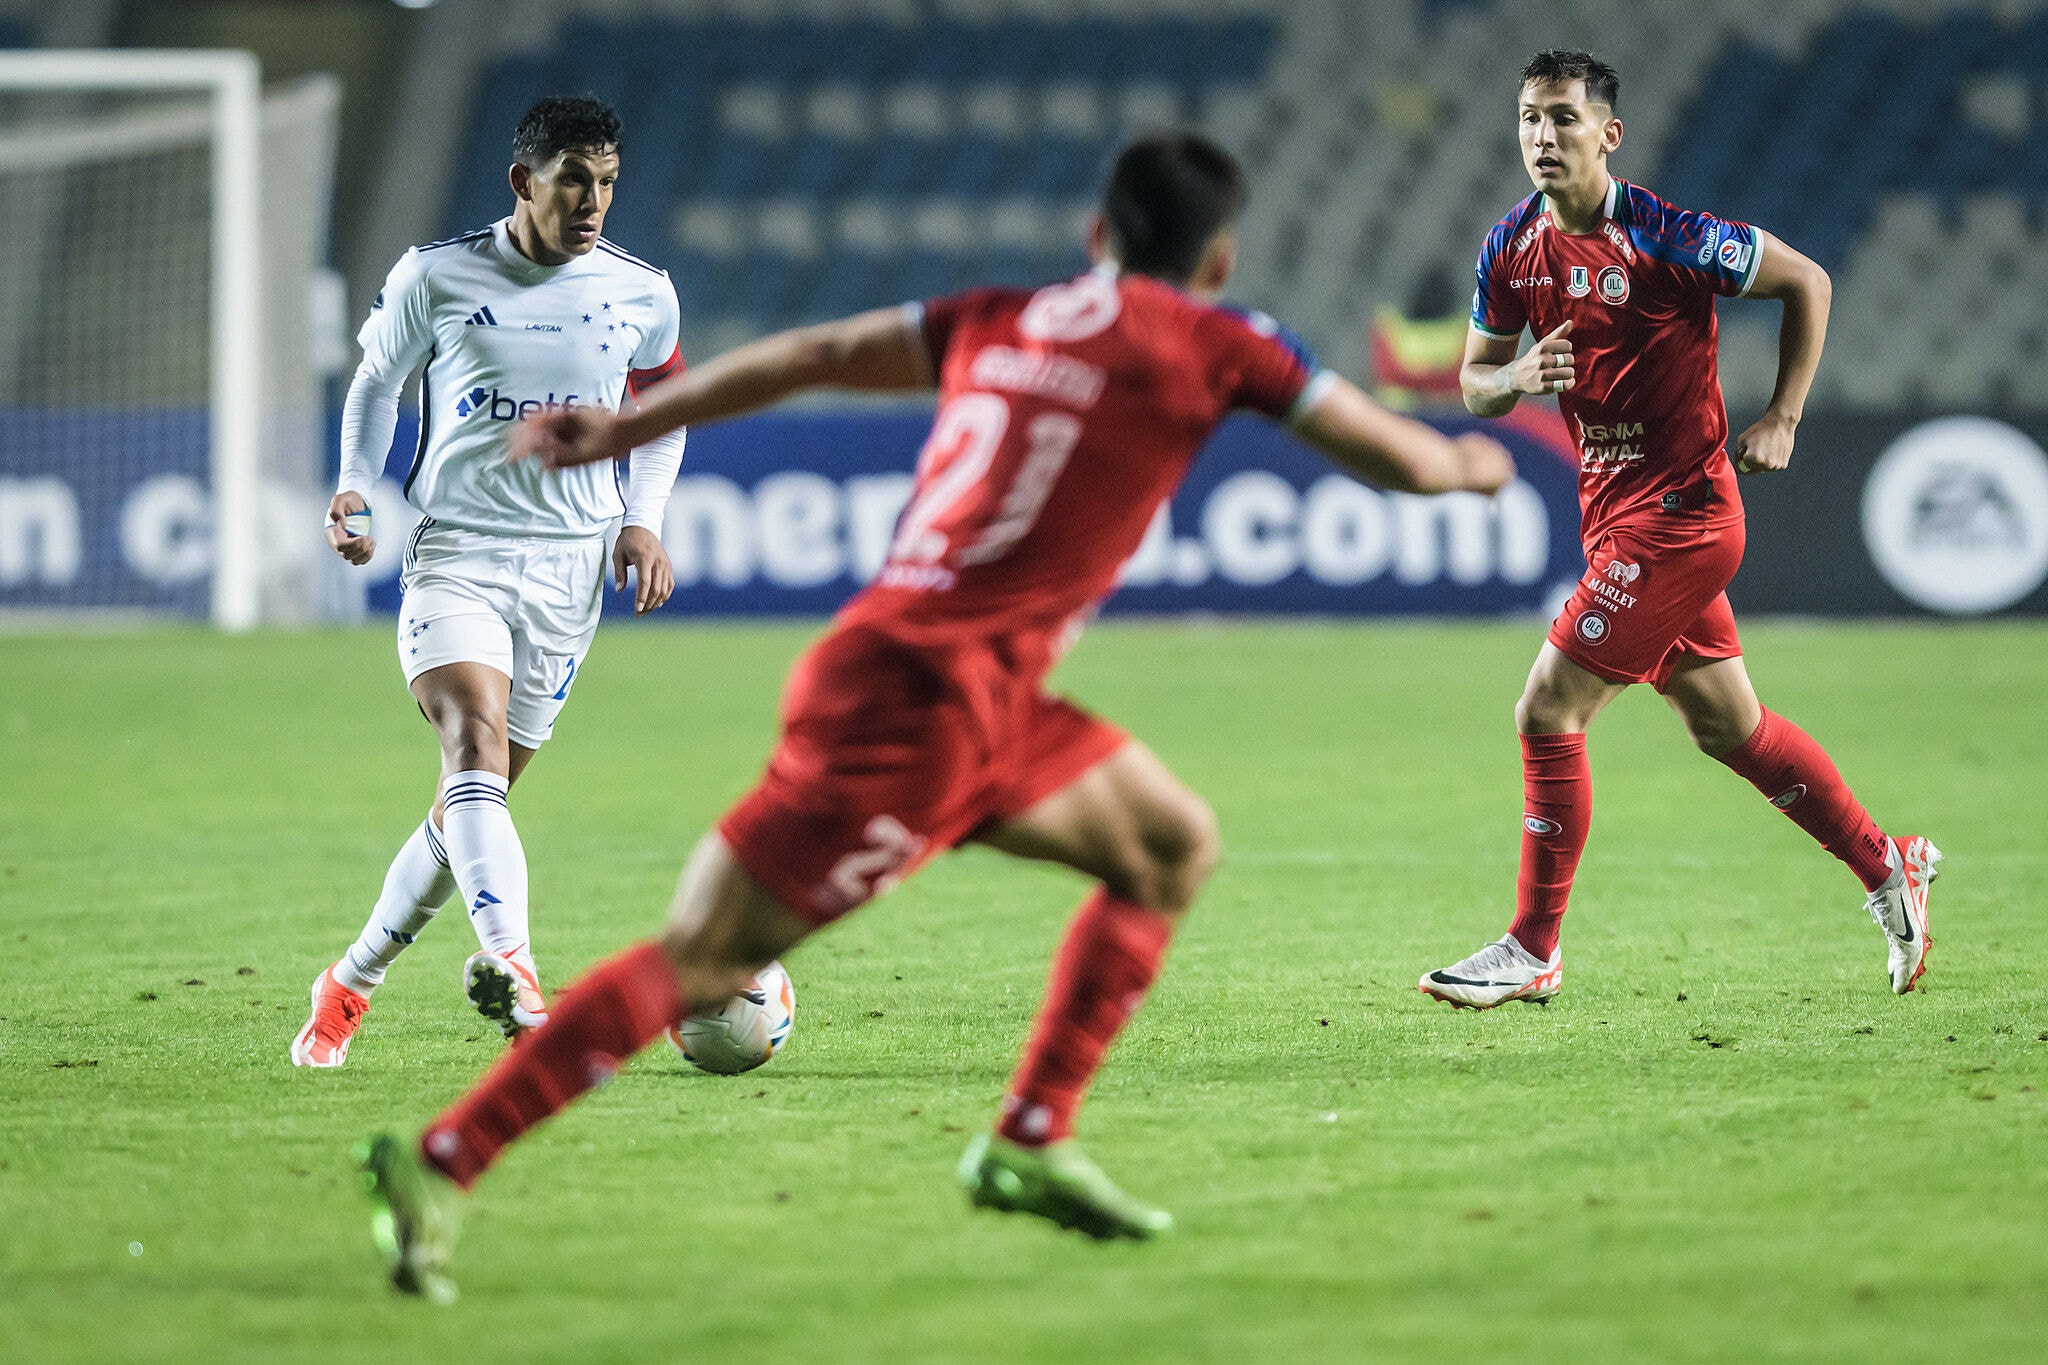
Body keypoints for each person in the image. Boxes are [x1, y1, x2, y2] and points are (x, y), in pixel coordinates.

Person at [355, 131, 1516, 1301]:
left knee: (1169, 844)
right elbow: (1408, 465)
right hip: (917, 706)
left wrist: (624, 430)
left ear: (1097, 238)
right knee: (701, 956)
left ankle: (1026, 1139)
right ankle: (442, 1157)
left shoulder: (999, 314)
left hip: (974, 688)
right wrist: (1483, 466)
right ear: (1217, 260)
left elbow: (810, 352)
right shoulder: (1220, 343)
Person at [1418, 51, 1939, 1011]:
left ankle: (1533, 950)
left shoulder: (1670, 235)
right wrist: (1514, 383)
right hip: (1611, 514)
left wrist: (1782, 414)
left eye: (1564, 119)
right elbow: (1473, 383)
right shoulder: (1509, 248)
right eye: (1530, 117)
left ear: (1607, 134)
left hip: (1685, 517)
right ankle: (1887, 862)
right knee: (1729, 726)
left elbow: (1809, 282)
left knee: (1547, 709)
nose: (1543, 136)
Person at [291, 96, 686, 1067]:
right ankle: (514, 966)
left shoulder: (640, 292)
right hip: (456, 552)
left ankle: (349, 985)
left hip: (569, 572)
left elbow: (667, 407)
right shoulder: (435, 276)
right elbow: (377, 382)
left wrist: (643, 518)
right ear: (522, 181)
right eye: (572, 181)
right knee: (470, 745)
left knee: (471, 799)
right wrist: (352, 487)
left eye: (606, 183)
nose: (592, 201)